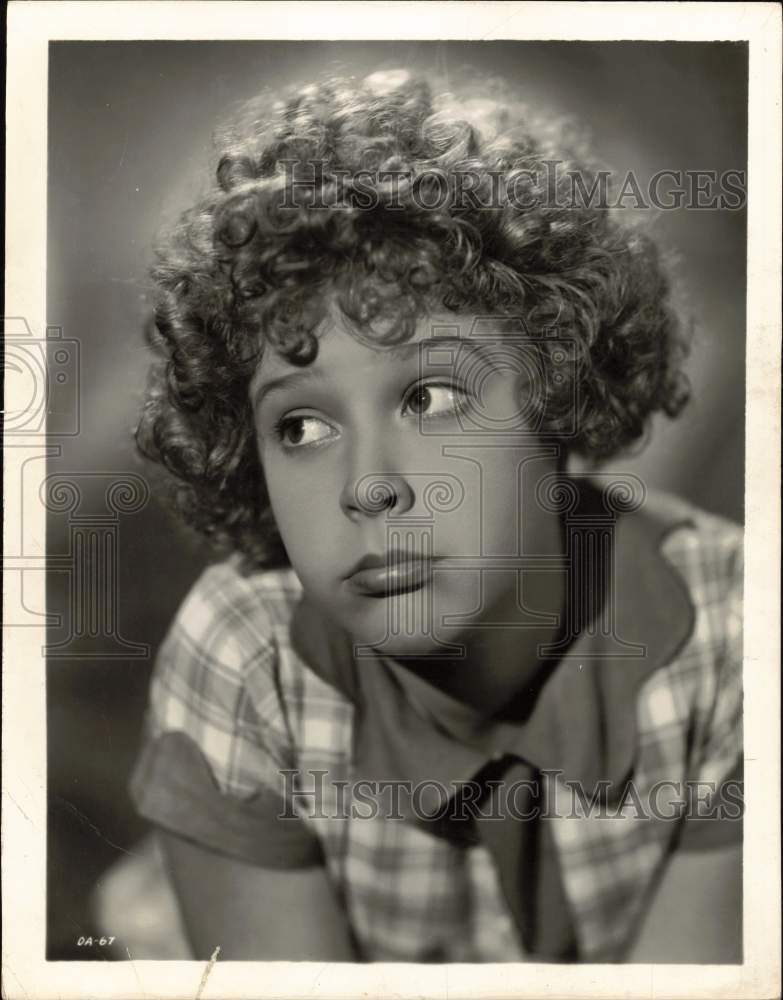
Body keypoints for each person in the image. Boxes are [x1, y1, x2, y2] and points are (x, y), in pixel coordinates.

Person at [128, 68, 743, 963]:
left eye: (430, 396)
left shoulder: (736, 643)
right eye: (299, 424)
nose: (366, 486)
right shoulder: (242, 658)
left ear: (557, 390)